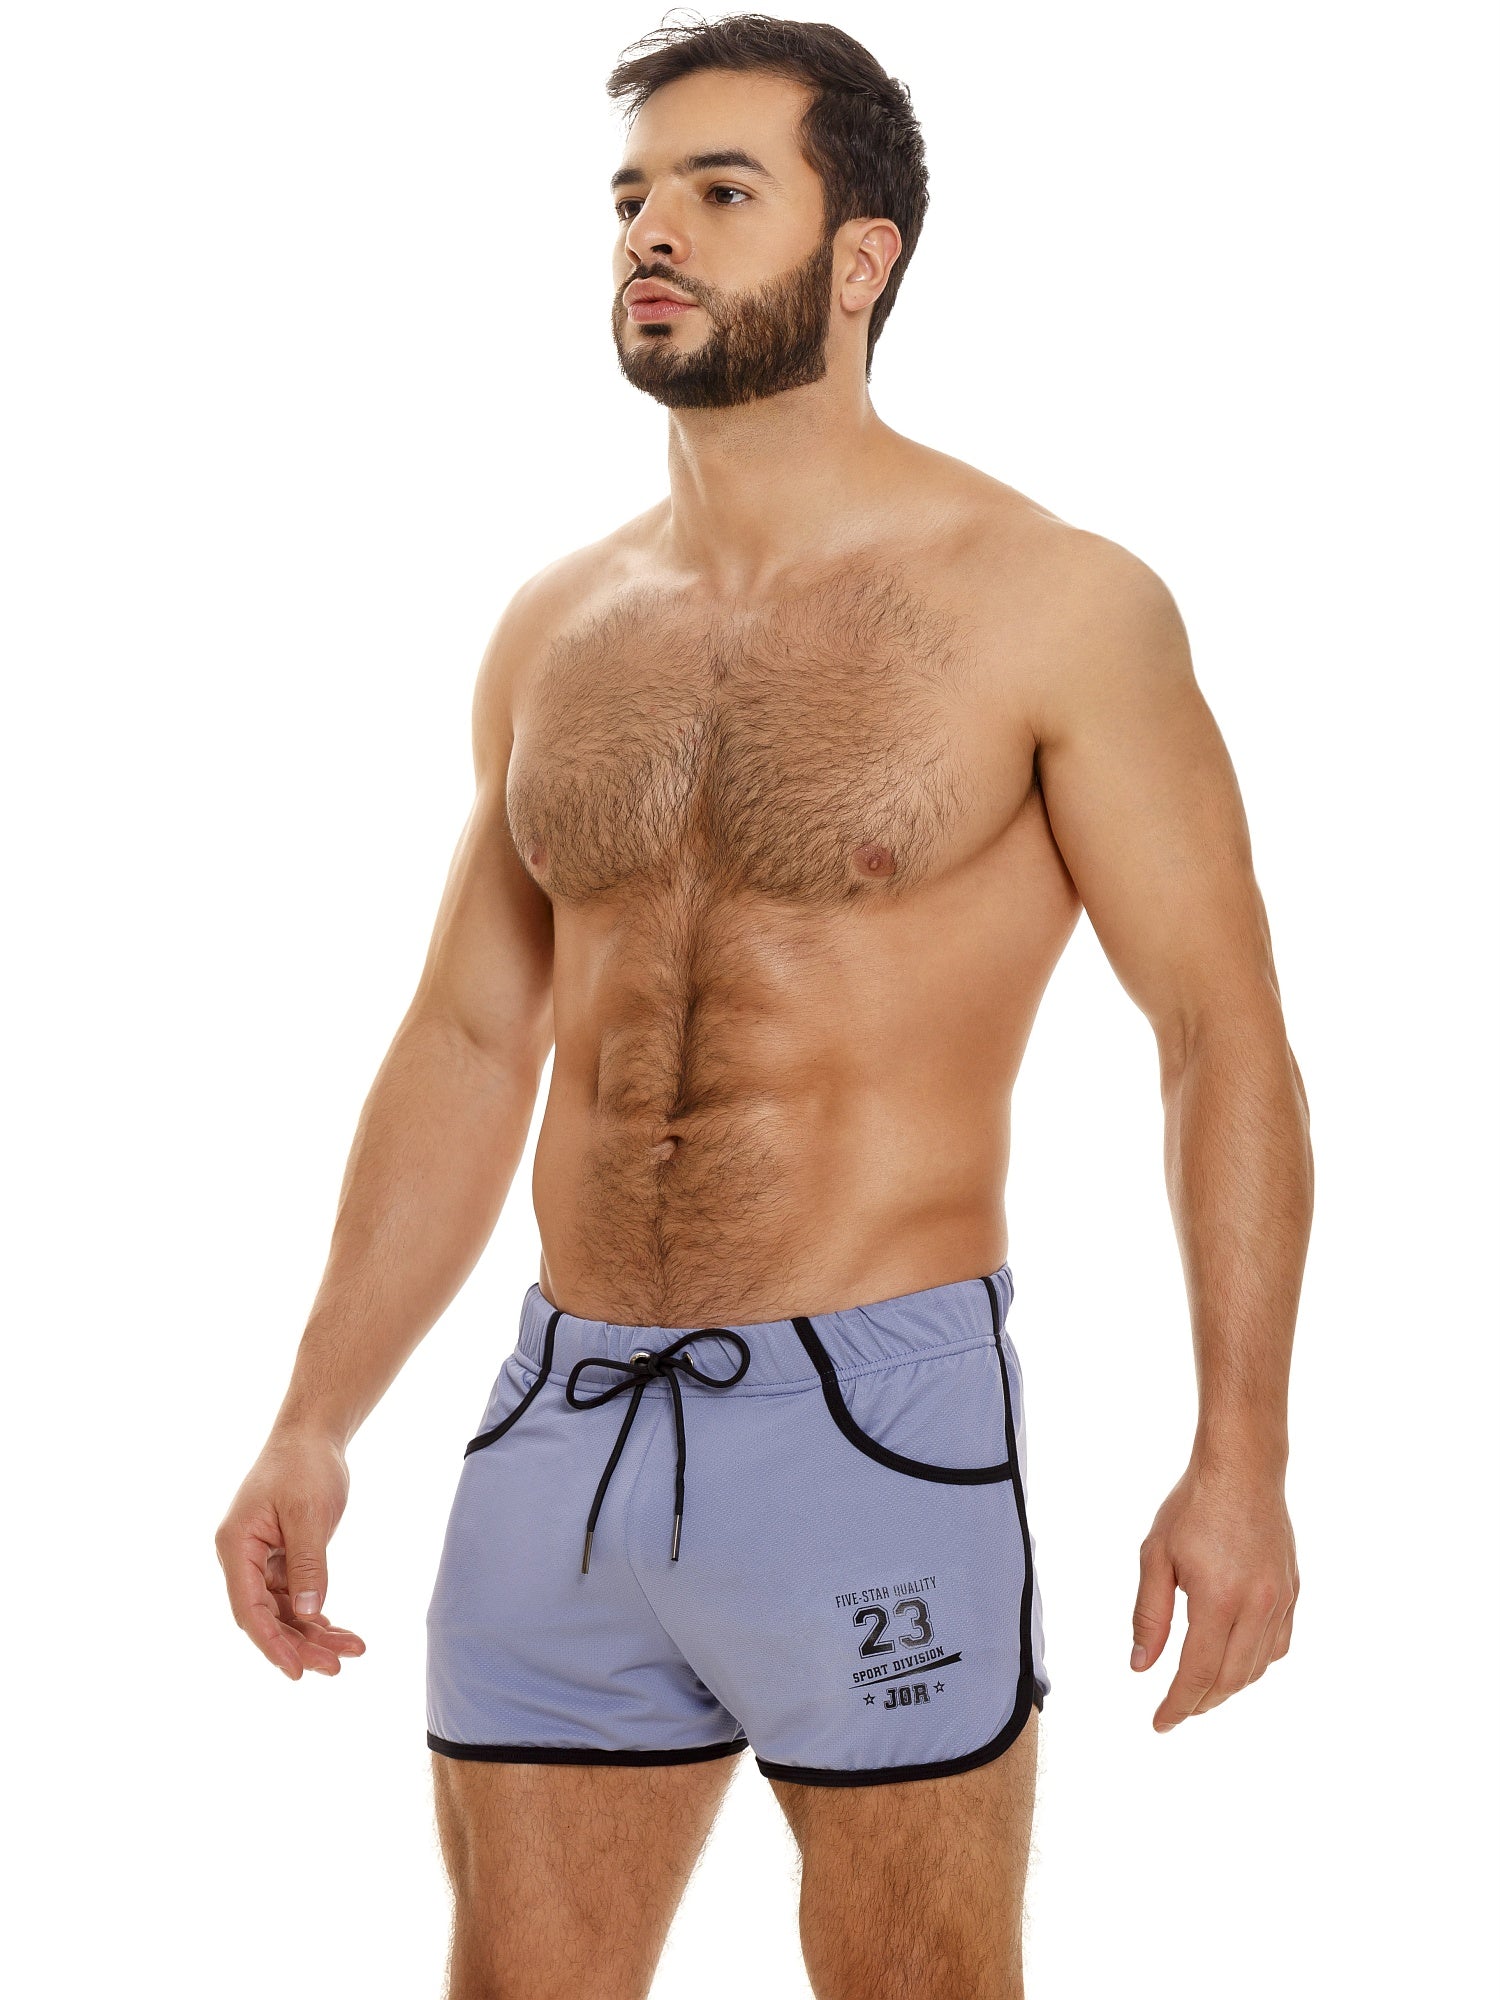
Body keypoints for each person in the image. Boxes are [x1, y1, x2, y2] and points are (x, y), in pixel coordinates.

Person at [215, 16, 1310, 1998]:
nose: (655, 234)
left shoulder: (1052, 600)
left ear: (860, 255)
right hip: (563, 1417)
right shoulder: (561, 627)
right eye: (635, 195)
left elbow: (1219, 1034)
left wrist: (1242, 1454)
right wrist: (314, 1416)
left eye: (724, 193)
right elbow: (471, 1039)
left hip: (866, 1424)